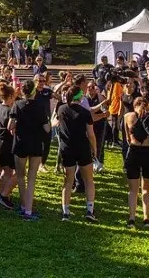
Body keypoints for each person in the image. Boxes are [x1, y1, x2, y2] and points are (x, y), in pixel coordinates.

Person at [9, 80, 50, 221]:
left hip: (21, 143)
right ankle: (28, 210)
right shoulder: (40, 106)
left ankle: (23, 205)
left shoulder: (17, 104)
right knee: (32, 177)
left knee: (20, 176)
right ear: (34, 92)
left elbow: (10, 125)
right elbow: (47, 128)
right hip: (36, 144)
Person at [55, 86, 98, 222]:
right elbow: (91, 134)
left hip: (67, 148)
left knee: (68, 181)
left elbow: (56, 123)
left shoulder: (61, 109)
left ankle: (65, 212)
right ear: (80, 97)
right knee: (88, 180)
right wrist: (95, 149)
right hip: (82, 147)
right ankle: (89, 210)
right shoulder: (85, 112)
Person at [123, 97, 149, 228]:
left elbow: (128, 138)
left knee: (143, 188)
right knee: (138, 189)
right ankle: (138, 218)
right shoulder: (131, 116)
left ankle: (141, 217)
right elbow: (128, 136)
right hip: (142, 151)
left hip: (138, 151)